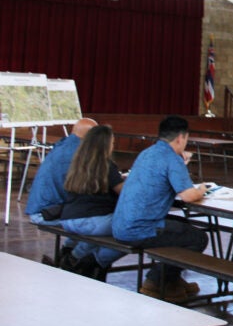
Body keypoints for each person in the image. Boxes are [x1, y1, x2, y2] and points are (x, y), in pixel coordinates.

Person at [112, 116, 209, 303]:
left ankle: (173, 280)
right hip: (141, 229)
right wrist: (202, 189)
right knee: (198, 238)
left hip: (121, 223)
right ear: (181, 138)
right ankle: (156, 281)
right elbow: (188, 196)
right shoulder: (172, 159)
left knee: (183, 225)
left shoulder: (147, 153)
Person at [24, 117, 97, 267]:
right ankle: (72, 261)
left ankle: (67, 253)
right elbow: (82, 189)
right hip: (46, 213)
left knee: (89, 215)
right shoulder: (79, 153)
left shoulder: (64, 144)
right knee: (99, 223)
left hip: (41, 209)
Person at [59, 124, 126, 280]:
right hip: (91, 221)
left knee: (103, 228)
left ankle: (69, 253)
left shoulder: (79, 162)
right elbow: (124, 193)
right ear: (106, 144)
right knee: (131, 228)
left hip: (68, 218)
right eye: (112, 143)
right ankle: (78, 260)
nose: (113, 146)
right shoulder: (106, 165)